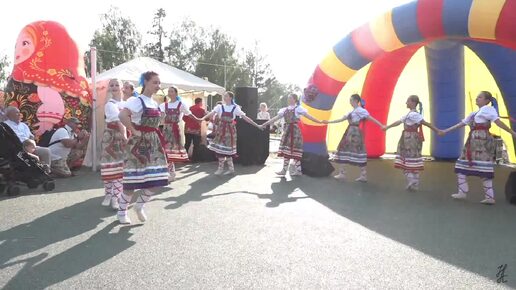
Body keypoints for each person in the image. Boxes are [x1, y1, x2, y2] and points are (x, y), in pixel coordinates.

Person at [441, 91, 516, 205]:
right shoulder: (475, 113)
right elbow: (462, 124)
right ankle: (465, 192)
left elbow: (498, 122)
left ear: (487, 101)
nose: (477, 98)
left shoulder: (487, 109)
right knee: (463, 165)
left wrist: (511, 132)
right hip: (473, 142)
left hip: (481, 141)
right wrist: (445, 131)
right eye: (477, 97)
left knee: (483, 168)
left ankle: (485, 196)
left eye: (480, 97)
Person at [118, 71, 168, 224]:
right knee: (132, 182)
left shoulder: (154, 103)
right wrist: (133, 130)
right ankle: (121, 212)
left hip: (154, 143)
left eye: (159, 83)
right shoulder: (137, 100)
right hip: (138, 144)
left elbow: (158, 122)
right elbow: (122, 116)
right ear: (145, 82)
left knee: (157, 180)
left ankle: (139, 205)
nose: (158, 86)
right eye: (155, 82)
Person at [383, 95, 441, 191]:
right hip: (409, 138)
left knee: (408, 158)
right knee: (413, 158)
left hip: (410, 138)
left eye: (408, 101)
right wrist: (388, 127)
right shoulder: (409, 114)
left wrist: (437, 130)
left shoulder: (414, 115)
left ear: (413, 102)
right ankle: (415, 183)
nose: (406, 103)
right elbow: (399, 122)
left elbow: (425, 123)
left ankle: (412, 180)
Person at [323, 94, 384, 182]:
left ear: (356, 100)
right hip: (349, 132)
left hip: (355, 132)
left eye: (351, 100)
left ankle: (362, 175)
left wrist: (381, 125)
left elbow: (371, 118)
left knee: (358, 151)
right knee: (343, 150)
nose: (350, 102)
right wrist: (328, 121)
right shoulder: (351, 111)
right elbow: (341, 119)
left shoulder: (360, 110)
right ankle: (342, 173)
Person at [259, 93, 322, 176]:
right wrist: (264, 124)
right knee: (286, 150)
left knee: (294, 150)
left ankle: (297, 170)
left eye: (290, 98)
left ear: (295, 99)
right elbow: (275, 118)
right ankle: (285, 170)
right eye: (288, 98)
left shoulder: (298, 109)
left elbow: (308, 116)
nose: (289, 99)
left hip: (295, 132)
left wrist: (319, 121)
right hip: (287, 131)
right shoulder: (284, 110)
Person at [203, 91, 262, 175]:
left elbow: (245, 117)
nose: (224, 97)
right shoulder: (220, 107)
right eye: (224, 96)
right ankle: (221, 168)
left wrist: (257, 125)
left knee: (228, 150)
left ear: (230, 97)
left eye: (226, 96)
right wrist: (201, 118)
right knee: (220, 149)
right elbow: (211, 113)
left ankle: (230, 168)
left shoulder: (235, 108)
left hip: (230, 131)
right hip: (221, 129)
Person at [160, 87, 203, 181]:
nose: (170, 93)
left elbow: (189, 114)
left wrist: (198, 120)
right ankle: (170, 172)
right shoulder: (164, 105)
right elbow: (161, 116)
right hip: (166, 129)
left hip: (175, 129)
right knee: (165, 151)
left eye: (171, 91)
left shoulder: (181, 104)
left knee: (171, 150)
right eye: (169, 91)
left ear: (176, 93)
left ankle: (171, 172)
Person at [100, 79, 127, 210]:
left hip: (122, 136)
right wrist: (125, 136)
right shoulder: (109, 104)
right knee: (108, 167)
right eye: (112, 85)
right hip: (111, 136)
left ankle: (116, 197)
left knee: (120, 168)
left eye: (117, 85)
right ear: (109, 88)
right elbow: (120, 122)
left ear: (121, 87)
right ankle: (108, 193)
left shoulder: (126, 103)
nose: (114, 87)